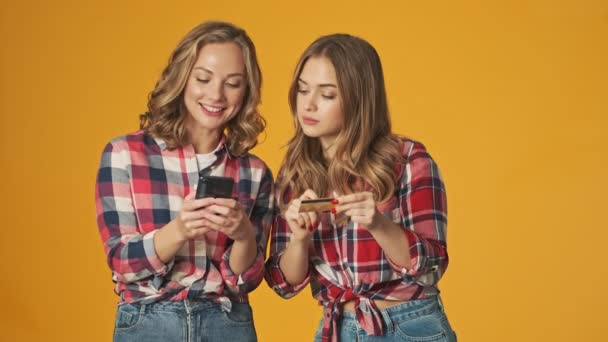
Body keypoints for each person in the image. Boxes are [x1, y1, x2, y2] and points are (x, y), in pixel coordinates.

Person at [265, 33, 456, 342]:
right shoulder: (295, 172)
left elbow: (431, 265)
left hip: (410, 325)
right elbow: (283, 284)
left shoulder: (407, 159)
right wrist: (299, 239)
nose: (309, 104)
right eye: (302, 90)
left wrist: (378, 224)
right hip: (338, 327)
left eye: (327, 95)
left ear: (359, 98)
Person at [95, 21, 273, 342]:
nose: (216, 95)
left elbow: (246, 281)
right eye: (203, 79)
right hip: (149, 321)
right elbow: (123, 262)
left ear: (246, 90)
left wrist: (244, 236)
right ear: (182, 78)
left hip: (227, 323)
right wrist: (179, 231)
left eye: (232, 83)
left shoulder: (254, 172)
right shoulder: (124, 154)